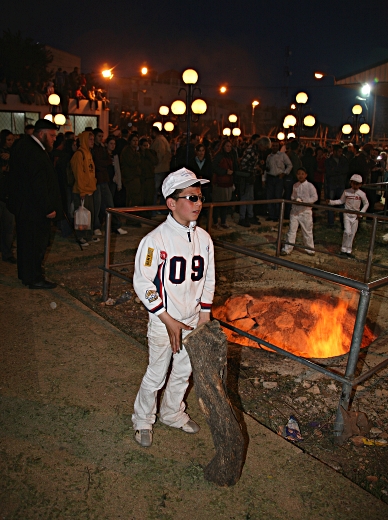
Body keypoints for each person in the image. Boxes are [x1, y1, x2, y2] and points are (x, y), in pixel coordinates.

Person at [131, 168, 215, 447]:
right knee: (156, 372)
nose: (198, 203)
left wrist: (204, 315)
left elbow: (209, 278)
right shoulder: (155, 240)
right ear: (171, 202)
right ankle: (143, 419)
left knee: (183, 371)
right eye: (191, 197)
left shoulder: (203, 238)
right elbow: (143, 283)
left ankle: (172, 412)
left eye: (200, 197)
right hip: (163, 321)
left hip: (192, 319)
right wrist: (166, 318)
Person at [8, 119, 62, 288]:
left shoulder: (25, 146)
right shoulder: (34, 152)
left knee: (25, 242)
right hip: (34, 209)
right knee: (35, 244)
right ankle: (34, 278)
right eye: (52, 135)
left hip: (26, 207)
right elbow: (37, 184)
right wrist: (48, 208)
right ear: (41, 134)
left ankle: (25, 274)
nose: (54, 139)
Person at [92, 128, 127, 236]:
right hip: (97, 179)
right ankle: (96, 226)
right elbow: (98, 162)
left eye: (102, 136)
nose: (100, 139)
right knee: (97, 205)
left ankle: (115, 225)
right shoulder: (94, 149)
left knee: (109, 204)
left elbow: (107, 161)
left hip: (105, 179)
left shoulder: (102, 149)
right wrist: (105, 163)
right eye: (99, 136)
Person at [327, 174, 369, 259]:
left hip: (355, 216)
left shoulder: (362, 194)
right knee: (347, 232)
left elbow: (366, 203)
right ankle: (343, 249)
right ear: (351, 183)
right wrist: (331, 202)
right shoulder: (346, 192)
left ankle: (348, 251)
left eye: (357, 184)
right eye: (354, 183)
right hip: (346, 214)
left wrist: (361, 213)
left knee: (352, 233)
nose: (355, 185)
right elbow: (341, 201)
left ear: (360, 184)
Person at [281, 167, 318, 256]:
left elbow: (314, 197)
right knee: (292, 230)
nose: (300, 175)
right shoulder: (295, 185)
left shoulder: (310, 186)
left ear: (306, 175)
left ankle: (310, 249)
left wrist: (305, 201)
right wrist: (295, 200)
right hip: (295, 211)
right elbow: (292, 196)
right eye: (298, 174)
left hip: (305, 212)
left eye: (302, 174)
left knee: (307, 231)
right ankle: (287, 249)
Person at [71, 131, 98, 246]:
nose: (92, 141)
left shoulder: (88, 153)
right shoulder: (79, 154)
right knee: (81, 215)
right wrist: (82, 190)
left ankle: (88, 235)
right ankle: (80, 236)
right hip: (81, 190)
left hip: (89, 189)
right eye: (90, 139)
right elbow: (79, 174)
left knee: (88, 214)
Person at [212, 139, 238, 229]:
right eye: (227, 146)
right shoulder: (219, 156)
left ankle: (223, 221)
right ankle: (215, 222)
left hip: (228, 183)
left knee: (225, 204)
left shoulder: (230, 156)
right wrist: (225, 171)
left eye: (230, 146)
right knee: (218, 204)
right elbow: (214, 167)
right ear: (223, 146)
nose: (229, 148)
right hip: (220, 183)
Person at [236, 134, 262, 227]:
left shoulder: (254, 150)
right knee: (245, 197)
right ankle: (243, 217)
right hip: (246, 176)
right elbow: (243, 163)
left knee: (250, 197)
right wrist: (254, 167)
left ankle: (249, 216)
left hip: (250, 176)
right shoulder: (251, 150)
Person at [264, 140, 292, 221]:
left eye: (276, 145)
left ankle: (277, 216)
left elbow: (290, 165)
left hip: (279, 178)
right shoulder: (269, 156)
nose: (275, 147)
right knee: (270, 197)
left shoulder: (283, 155)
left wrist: (284, 173)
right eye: (273, 145)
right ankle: (271, 215)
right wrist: (264, 179)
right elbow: (266, 168)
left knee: (278, 197)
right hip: (270, 177)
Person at [0, 129, 16, 263]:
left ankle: (7, 252)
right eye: (8, 140)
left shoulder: (13, 153)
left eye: (12, 140)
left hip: (8, 194)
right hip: (2, 192)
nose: (11, 142)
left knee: (8, 226)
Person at [325, 144, 349, 228]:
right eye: (339, 151)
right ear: (334, 151)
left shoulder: (344, 160)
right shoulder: (328, 161)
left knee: (342, 203)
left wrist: (335, 170)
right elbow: (328, 172)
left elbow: (345, 170)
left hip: (341, 184)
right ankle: (331, 222)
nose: (340, 153)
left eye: (341, 152)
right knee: (331, 203)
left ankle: (343, 222)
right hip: (332, 184)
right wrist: (338, 171)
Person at [150, 126, 171, 206]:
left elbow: (160, 154)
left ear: (154, 132)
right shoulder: (163, 140)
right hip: (163, 168)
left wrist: (155, 164)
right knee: (162, 190)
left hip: (159, 169)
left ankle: (155, 209)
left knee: (155, 190)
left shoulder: (159, 141)